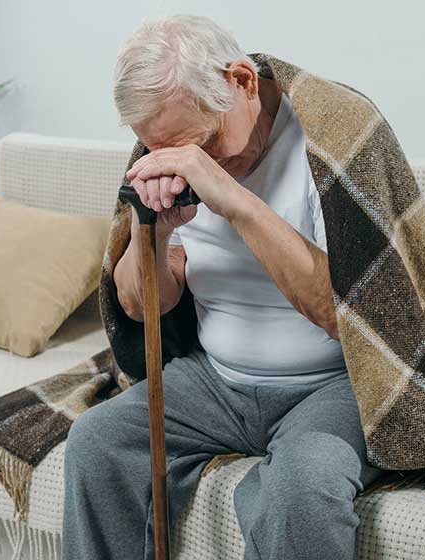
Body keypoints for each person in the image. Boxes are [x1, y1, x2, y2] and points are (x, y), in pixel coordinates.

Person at [62, 14, 385, 560]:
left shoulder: (332, 134)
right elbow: (142, 309)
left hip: (333, 383)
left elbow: (348, 314)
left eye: (205, 143)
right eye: (165, 151)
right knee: (96, 443)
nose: (193, 165)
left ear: (242, 82)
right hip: (214, 381)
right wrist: (156, 238)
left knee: (305, 484)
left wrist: (232, 201)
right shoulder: (165, 147)